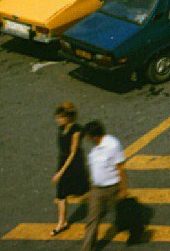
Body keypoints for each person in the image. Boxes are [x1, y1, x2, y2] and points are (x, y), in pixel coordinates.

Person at [80, 120, 126, 251]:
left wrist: (123, 189)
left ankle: (130, 225)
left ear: (94, 136)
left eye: (88, 137)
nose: (87, 140)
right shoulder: (95, 149)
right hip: (97, 189)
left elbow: (120, 167)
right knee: (92, 220)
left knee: (119, 210)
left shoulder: (112, 145)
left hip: (112, 187)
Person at [51, 102, 90, 237]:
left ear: (68, 117)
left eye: (60, 117)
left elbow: (73, 153)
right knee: (61, 194)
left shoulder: (77, 131)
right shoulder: (62, 129)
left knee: (83, 191)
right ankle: (62, 222)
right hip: (63, 162)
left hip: (74, 165)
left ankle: (99, 202)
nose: (58, 120)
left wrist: (60, 172)